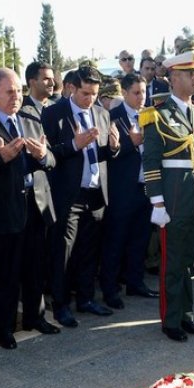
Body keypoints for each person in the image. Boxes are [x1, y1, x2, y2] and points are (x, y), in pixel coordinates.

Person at [0, 68, 59, 349]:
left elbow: (52, 161)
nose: (16, 97)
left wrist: (43, 155)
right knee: (6, 274)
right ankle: (4, 327)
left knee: (35, 268)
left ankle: (35, 317)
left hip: (35, 206)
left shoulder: (31, 120)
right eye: (9, 92)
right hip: (4, 209)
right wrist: (0, 158)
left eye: (18, 91)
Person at [142, 45, 194, 342]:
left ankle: (186, 315)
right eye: (189, 73)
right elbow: (152, 162)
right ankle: (170, 319)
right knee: (171, 262)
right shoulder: (156, 115)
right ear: (173, 78)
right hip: (172, 198)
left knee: (187, 261)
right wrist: (157, 201)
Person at [41, 65, 120, 328]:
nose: (90, 99)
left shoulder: (101, 113)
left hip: (96, 194)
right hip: (68, 195)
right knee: (62, 252)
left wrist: (114, 148)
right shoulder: (54, 114)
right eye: (86, 93)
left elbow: (103, 154)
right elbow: (48, 155)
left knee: (89, 252)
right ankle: (60, 305)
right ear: (72, 88)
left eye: (95, 94)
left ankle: (86, 298)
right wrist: (75, 145)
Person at [100, 73, 158, 309]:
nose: (141, 97)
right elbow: (106, 153)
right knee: (116, 241)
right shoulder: (111, 117)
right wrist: (129, 144)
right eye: (136, 92)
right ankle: (110, 289)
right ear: (123, 93)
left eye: (144, 92)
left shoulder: (151, 116)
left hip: (146, 187)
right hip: (122, 190)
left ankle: (136, 282)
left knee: (140, 239)